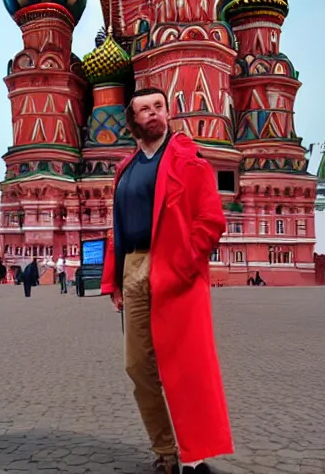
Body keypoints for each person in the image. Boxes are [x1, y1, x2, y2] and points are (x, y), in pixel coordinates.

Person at [101, 87, 233, 474]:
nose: (153, 114)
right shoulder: (125, 169)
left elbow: (210, 220)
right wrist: (115, 280)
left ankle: (196, 456)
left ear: (168, 113)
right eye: (144, 109)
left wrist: (183, 265)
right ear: (132, 120)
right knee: (138, 367)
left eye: (159, 106)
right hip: (134, 270)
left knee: (183, 365)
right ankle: (166, 451)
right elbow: (117, 229)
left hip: (173, 268)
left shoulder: (187, 160)